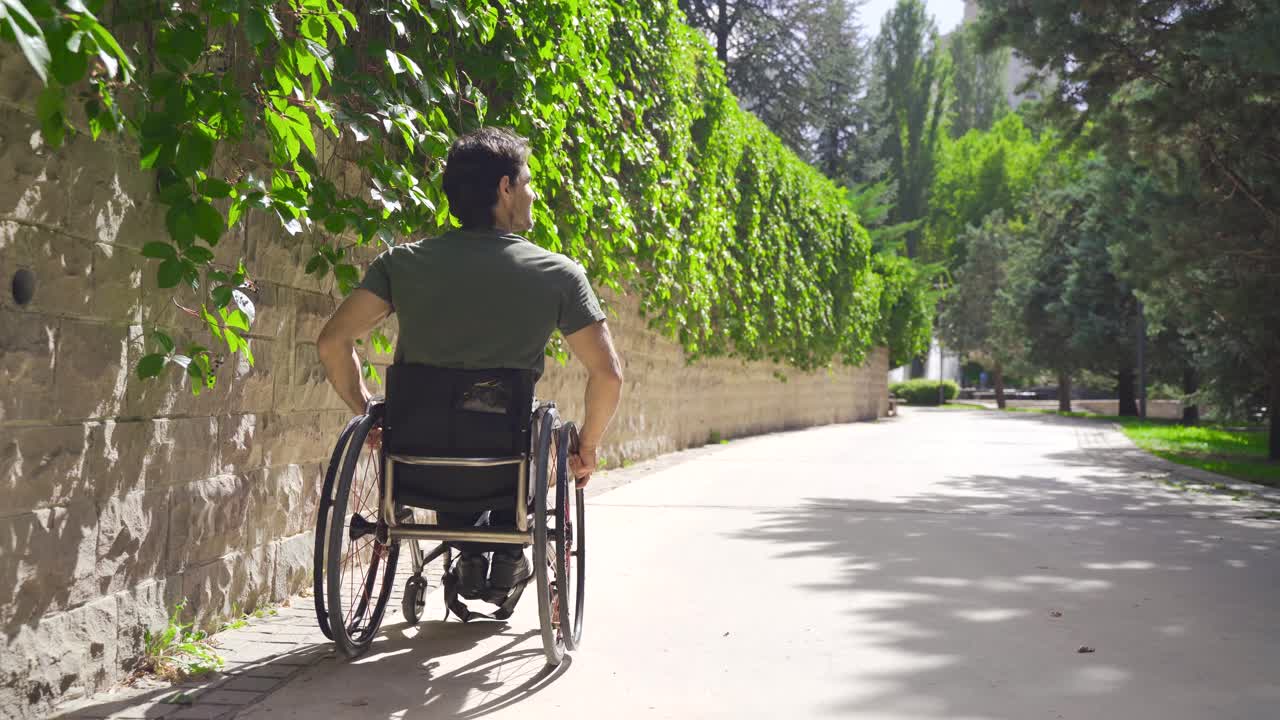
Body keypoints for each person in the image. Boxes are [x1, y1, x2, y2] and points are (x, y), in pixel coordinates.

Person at [317, 126, 624, 599]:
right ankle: (503, 552)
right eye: (527, 182)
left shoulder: (401, 264)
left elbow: (332, 342)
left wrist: (369, 412)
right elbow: (608, 374)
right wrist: (588, 446)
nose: (533, 193)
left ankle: (470, 548)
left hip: (415, 457)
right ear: (504, 188)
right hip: (504, 458)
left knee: (447, 423)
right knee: (508, 419)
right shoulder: (558, 274)